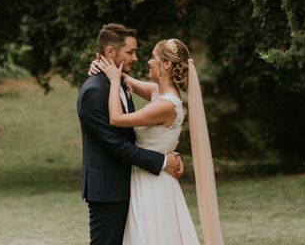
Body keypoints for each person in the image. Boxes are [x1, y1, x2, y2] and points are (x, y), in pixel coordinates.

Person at [96, 37, 225, 245]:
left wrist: (112, 82)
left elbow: (116, 119)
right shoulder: (158, 93)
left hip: (153, 184)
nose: (148, 61)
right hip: (147, 176)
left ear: (166, 64)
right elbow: (125, 79)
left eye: (153, 57)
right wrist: (103, 64)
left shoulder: (166, 105)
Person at [76, 23, 183, 245]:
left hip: (133, 183)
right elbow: (115, 144)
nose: (136, 58)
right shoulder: (94, 92)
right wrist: (163, 160)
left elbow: (134, 135)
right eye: (130, 52)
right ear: (110, 52)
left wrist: (169, 152)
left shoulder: (121, 82)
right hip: (108, 188)